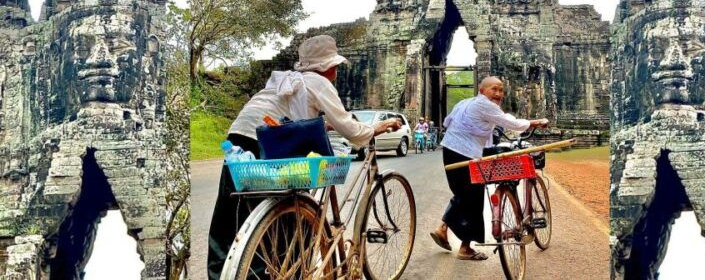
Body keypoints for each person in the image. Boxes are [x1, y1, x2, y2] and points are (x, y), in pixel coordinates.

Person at [207, 35, 400, 279]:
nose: (337, 70)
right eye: (336, 65)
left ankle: (221, 273)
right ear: (327, 66)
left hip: (238, 139)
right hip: (267, 142)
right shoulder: (319, 83)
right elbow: (352, 131)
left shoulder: (288, 79)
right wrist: (376, 128)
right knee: (287, 217)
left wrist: (326, 125)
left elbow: (292, 118)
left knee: (229, 218)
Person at [429, 76, 548, 261]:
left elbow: (448, 122)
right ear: (482, 91)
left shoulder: (464, 103)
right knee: (474, 198)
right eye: (494, 89)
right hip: (465, 153)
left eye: (501, 90)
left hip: (450, 150)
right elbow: (510, 122)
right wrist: (535, 122)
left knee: (462, 193)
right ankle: (465, 248)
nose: (499, 94)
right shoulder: (485, 105)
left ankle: (443, 229)